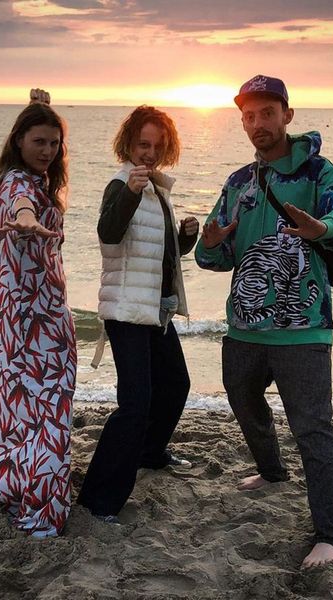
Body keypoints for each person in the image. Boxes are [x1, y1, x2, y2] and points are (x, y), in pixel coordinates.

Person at [195, 75, 333, 567]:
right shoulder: (239, 183)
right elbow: (214, 258)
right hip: (244, 328)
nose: (258, 123)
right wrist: (209, 243)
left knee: (313, 429)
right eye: (249, 116)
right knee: (243, 403)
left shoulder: (319, 173)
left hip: (303, 330)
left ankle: (328, 535)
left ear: (287, 114)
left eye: (267, 113)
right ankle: (271, 471)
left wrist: (322, 227)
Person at [0, 91, 76, 538]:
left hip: (14, 314)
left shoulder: (27, 178)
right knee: (47, 403)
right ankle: (38, 498)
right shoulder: (17, 186)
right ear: (18, 141)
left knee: (10, 402)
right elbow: (20, 204)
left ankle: (0, 480)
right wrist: (27, 218)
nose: (47, 151)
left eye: (54, 143)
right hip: (33, 320)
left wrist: (38, 102)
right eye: (38, 141)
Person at [77, 106, 199, 523]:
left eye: (158, 147)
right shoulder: (121, 184)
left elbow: (160, 255)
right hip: (127, 310)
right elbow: (108, 235)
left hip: (155, 310)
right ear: (128, 144)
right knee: (135, 404)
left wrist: (185, 239)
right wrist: (129, 192)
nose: (150, 153)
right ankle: (98, 500)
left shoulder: (158, 190)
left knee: (176, 385)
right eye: (143, 144)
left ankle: (149, 453)